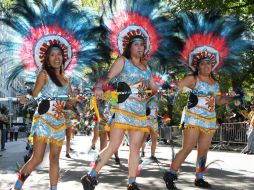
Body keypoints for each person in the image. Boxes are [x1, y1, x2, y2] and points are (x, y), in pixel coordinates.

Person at [81, 35, 158, 190]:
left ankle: (132, 182)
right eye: (136, 45)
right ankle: (90, 175)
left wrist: (149, 94)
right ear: (129, 47)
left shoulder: (146, 67)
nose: (139, 48)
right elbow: (107, 77)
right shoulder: (123, 61)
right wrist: (98, 87)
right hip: (123, 110)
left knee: (135, 148)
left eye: (142, 45)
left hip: (140, 113)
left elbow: (154, 88)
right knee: (114, 145)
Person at [11, 44, 71, 190]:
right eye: (52, 55)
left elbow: (67, 104)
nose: (56, 58)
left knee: (55, 159)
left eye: (59, 54)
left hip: (59, 122)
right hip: (43, 120)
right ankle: (17, 186)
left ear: (63, 58)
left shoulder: (67, 80)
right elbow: (34, 95)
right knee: (37, 158)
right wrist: (26, 98)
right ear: (47, 59)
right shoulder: (44, 74)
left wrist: (74, 100)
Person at [140, 95, 159, 162]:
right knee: (144, 137)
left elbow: (156, 112)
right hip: (147, 121)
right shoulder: (145, 100)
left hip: (154, 122)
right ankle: (141, 152)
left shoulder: (157, 102)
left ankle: (152, 155)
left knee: (154, 139)